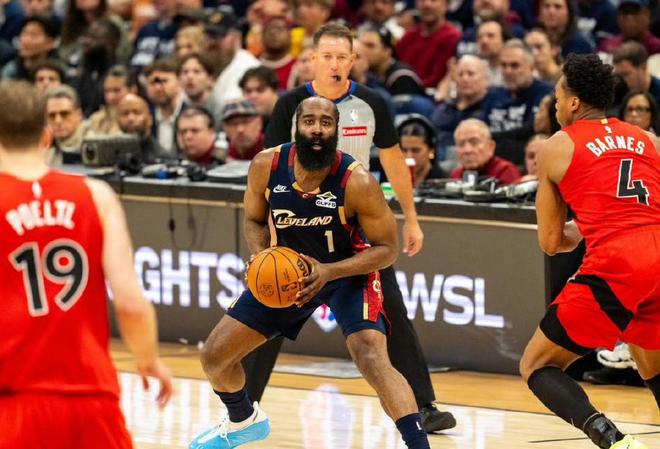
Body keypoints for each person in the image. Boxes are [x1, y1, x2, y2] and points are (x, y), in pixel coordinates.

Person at [190, 96, 431, 449]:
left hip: (347, 274)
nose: (317, 129)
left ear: (336, 131)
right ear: (296, 127)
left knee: (371, 356)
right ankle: (243, 420)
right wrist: (262, 255)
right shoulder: (266, 165)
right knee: (214, 356)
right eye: (309, 121)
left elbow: (387, 250)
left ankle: (418, 445)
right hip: (289, 274)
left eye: (326, 123)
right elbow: (254, 220)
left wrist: (329, 271)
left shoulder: (357, 181)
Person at [256, 22, 456, 433]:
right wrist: (272, 231)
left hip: (356, 225)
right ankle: (243, 408)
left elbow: (394, 160)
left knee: (392, 310)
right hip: (300, 221)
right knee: (271, 305)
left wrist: (411, 218)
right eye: (326, 56)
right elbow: (269, 167)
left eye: (341, 57)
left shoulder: (371, 102)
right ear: (313, 59)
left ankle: (424, 405)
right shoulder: (290, 104)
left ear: (353, 60)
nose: (334, 64)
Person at [0, 80, 173, 448]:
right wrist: (148, 359)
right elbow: (130, 302)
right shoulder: (96, 195)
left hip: (12, 400)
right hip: (92, 399)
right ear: (46, 136)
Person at [519, 53, 660, 449]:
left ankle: (615, 441)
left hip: (618, 262)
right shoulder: (648, 139)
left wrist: (586, 226)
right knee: (651, 363)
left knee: (536, 365)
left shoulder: (556, 146)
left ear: (575, 101)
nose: (555, 104)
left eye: (558, 96)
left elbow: (551, 242)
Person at [451, 118, 521, 183]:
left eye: (474, 142)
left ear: (491, 146)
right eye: (461, 144)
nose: (467, 150)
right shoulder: (456, 175)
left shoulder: (505, 171)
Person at [398, 114, 446, 186]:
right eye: (404, 150)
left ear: (431, 150)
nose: (409, 157)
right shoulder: (392, 179)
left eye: (416, 151)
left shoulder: (444, 182)